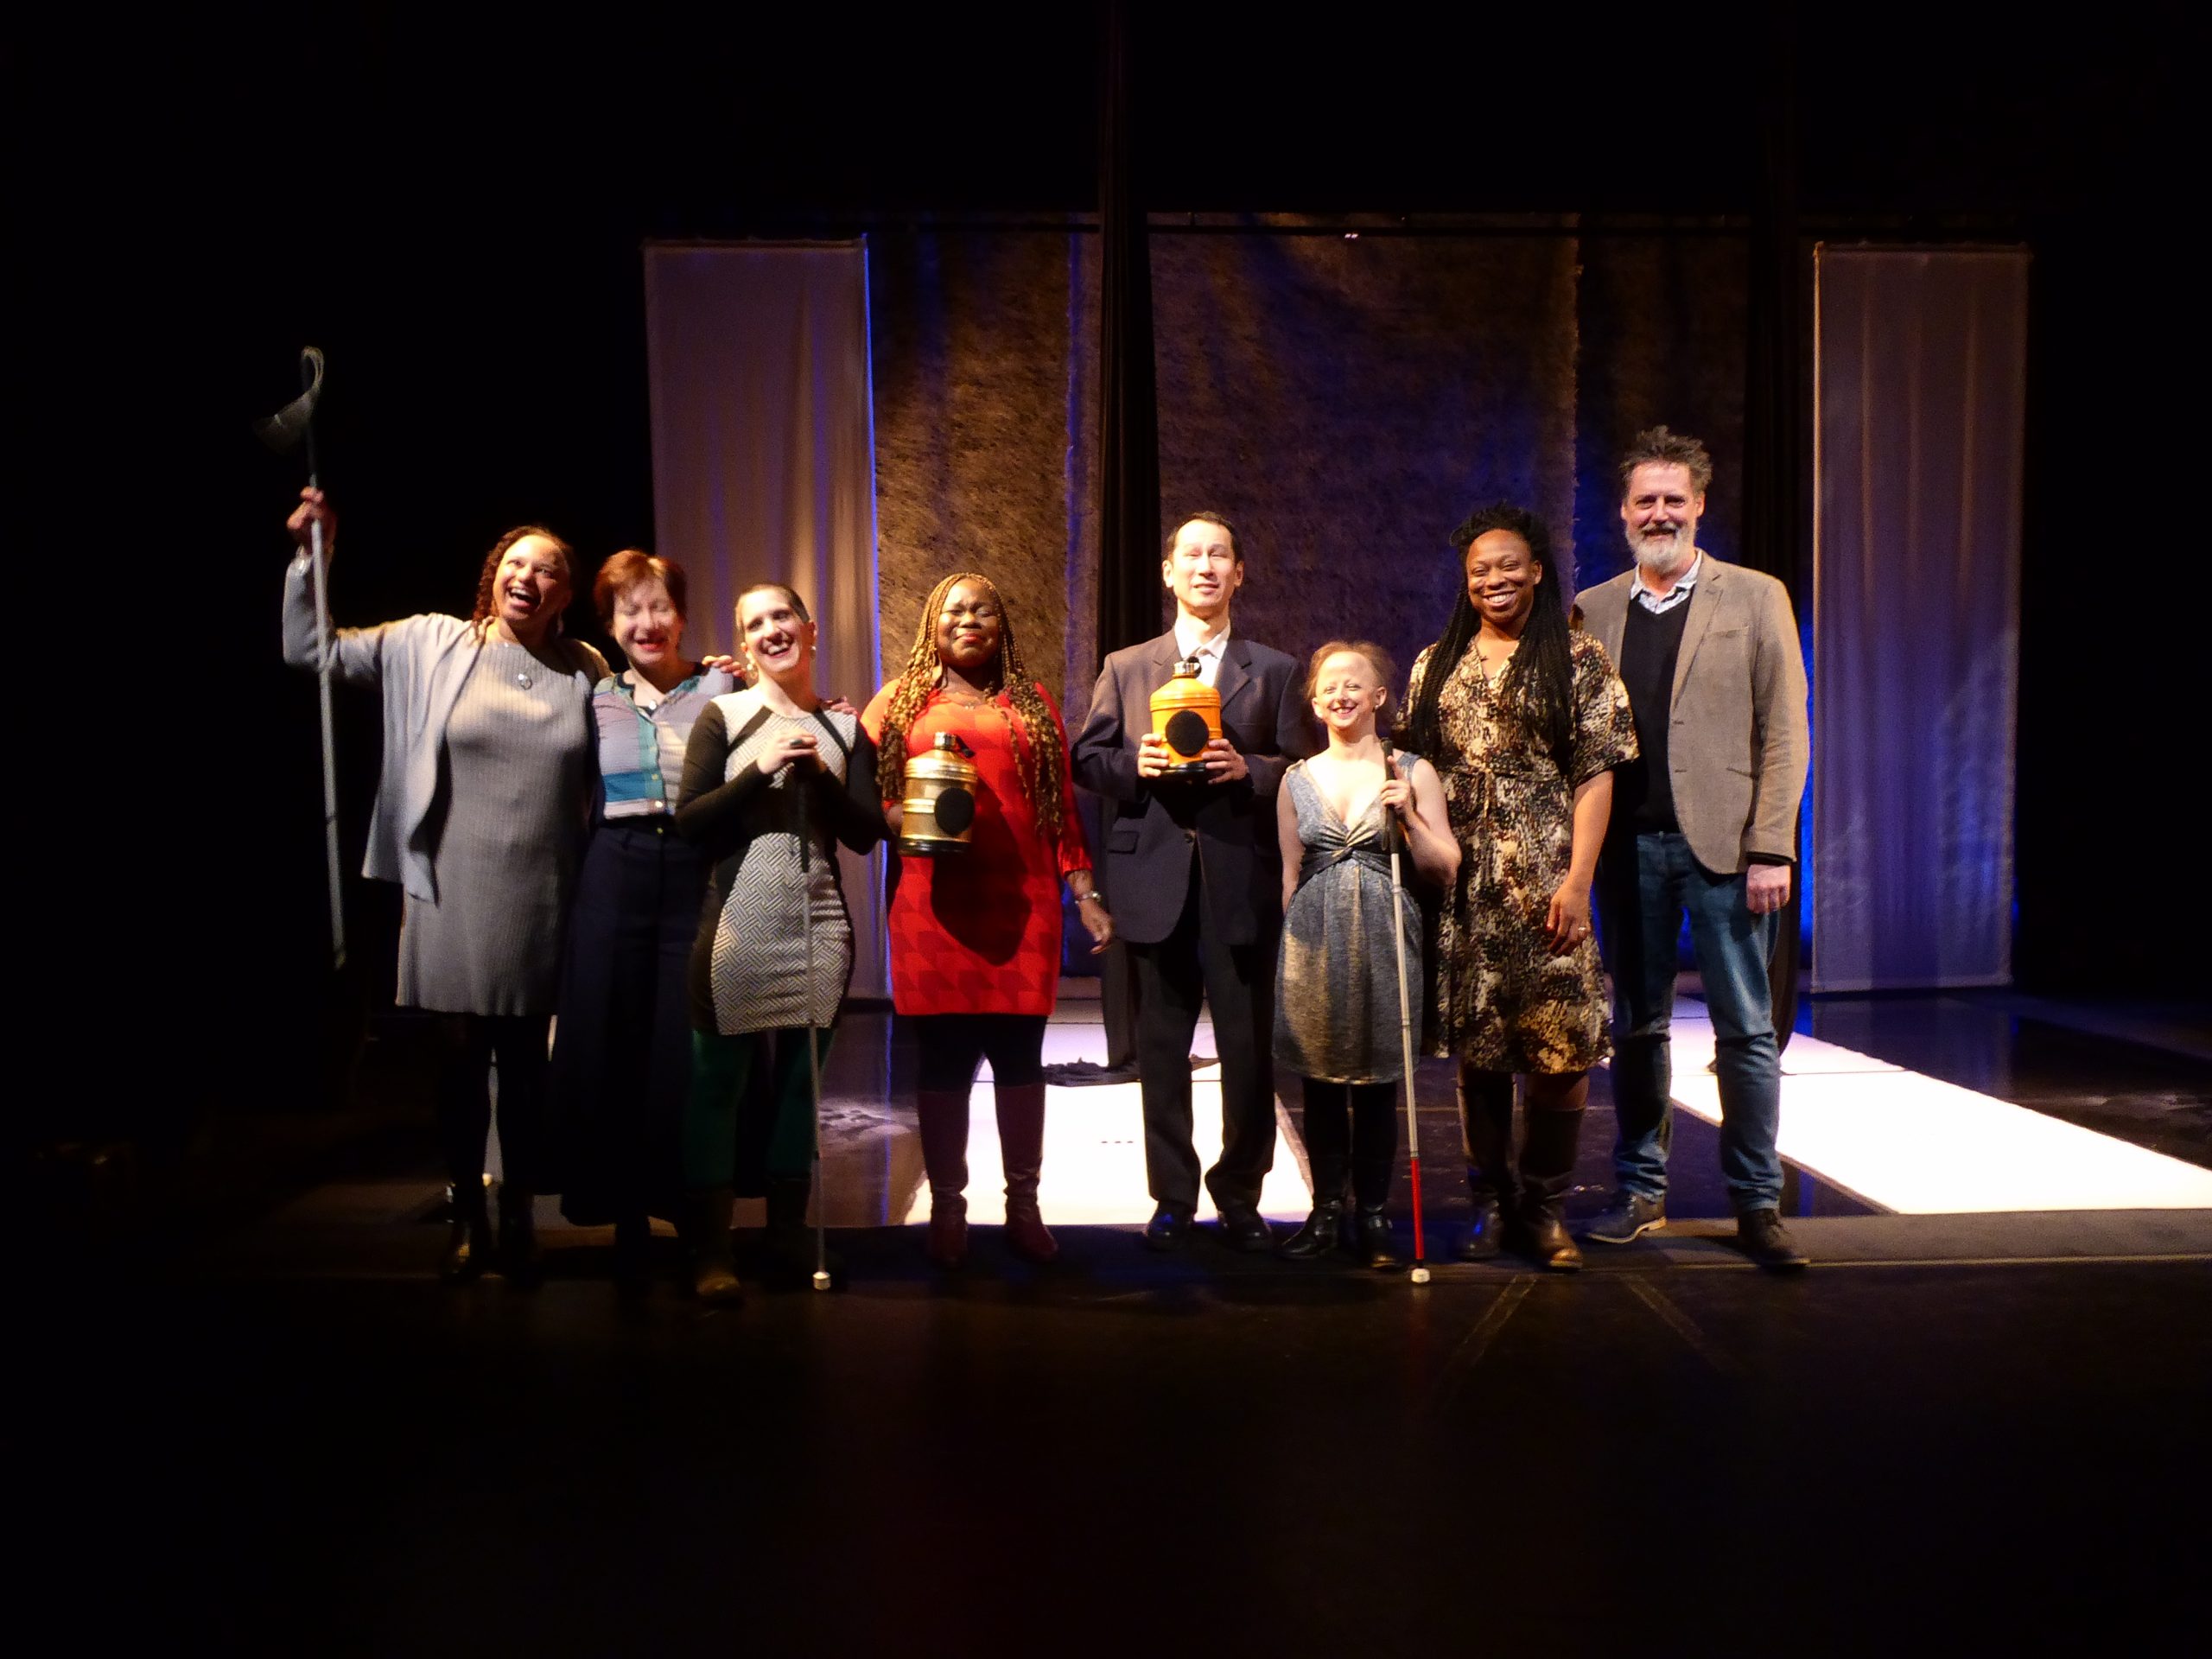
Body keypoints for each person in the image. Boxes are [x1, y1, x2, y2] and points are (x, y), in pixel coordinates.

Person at [280, 489, 609, 1283]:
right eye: (517, 562)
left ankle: (518, 1212)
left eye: (549, 570)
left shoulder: (585, 668)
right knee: (459, 1060)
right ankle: (465, 1212)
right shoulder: (429, 643)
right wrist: (312, 560)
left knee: (528, 1064)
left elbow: (651, 724)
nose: (528, 577)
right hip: (450, 886)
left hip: (545, 892)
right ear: (494, 574)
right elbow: (310, 651)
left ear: (565, 595)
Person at [1575, 427, 1811, 1270]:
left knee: (1746, 1031)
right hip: (1626, 850)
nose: (1660, 512)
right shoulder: (1593, 608)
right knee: (1635, 1027)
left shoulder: (1756, 597)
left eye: (1675, 498)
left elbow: (1784, 734)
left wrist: (1772, 848)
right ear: (1624, 511)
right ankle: (1640, 1192)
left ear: (1700, 505)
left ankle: (1755, 1205)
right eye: (1646, 499)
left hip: (1726, 850)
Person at [1401, 503, 1638, 1272]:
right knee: (1481, 1052)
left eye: (1508, 565)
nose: (1494, 579)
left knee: (1560, 1049)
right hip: (1463, 889)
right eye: (1479, 570)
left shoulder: (1580, 660)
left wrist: (1578, 882)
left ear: (1537, 570)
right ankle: (1489, 1203)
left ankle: (1543, 1208)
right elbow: (1413, 771)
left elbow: (1595, 775)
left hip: (1547, 887)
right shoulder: (1434, 665)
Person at [1071, 512, 1315, 1252]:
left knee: (1246, 1051)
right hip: (1152, 875)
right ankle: (1172, 1195)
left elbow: (1305, 770)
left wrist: (1254, 770)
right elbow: (1088, 759)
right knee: (1162, 1047)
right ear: (1168, 573)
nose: (1205, 567)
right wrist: (1131, 767)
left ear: (1239, 574)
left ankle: (1240, 1193)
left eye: (1220, 555)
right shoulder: (1126, 664)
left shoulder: (1272, 669)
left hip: (1239, 875)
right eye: (1191, 555)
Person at [862, 573, 1110, 1268]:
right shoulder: (898, 705)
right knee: (941, 1061)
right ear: (931, 625)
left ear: (1002, 627)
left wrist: (1085, 893)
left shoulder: (1031, 706)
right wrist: (899, 821)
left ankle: (1023, 1207)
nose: (969, 620)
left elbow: (1061, 811)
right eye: (954, 610)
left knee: (1019, 1058)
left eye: (983, 610)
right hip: (930, 909)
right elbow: (864, 796)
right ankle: (947, 1206)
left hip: (1021, 906)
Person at [672, 583, 887, 1306]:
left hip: (819, 927)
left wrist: (821, 773)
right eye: (754, 624)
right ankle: (710, 1247)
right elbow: (690, 821)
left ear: (811, 628)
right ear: (741, 645)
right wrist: (759, 771)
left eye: (781, 617)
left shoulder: (848, 728)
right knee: (717, 1086)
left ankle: (789, 1234)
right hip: (737, 927)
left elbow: (863, 832)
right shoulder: (723, 715)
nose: (771, 631)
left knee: (804, 1085)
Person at [548, 550, 739, 1274]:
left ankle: (691, 1211)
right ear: (611, 623)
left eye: (659, 606)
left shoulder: (722, 684)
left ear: (683, 615)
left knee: (682, 1047)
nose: (646, 622)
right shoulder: (593, 692)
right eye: (629, 609)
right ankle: (624, 1211)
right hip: (615, 868)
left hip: (694, 866)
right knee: (610, 1037)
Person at [1274, 642, 1457, 1267]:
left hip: (1384, 928)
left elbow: (1446, 867)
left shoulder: (1410, 770)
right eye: (1328, 684)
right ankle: (1327, 1212)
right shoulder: (1295, 779)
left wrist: (1411, 817)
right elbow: (1289, 876)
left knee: (1379, 1081)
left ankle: (1373, 1216)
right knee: (1321, 1082)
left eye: (1355, 684)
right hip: (1314, 938)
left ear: (1380, 697)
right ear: (1315, 699)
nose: (1340, 693)